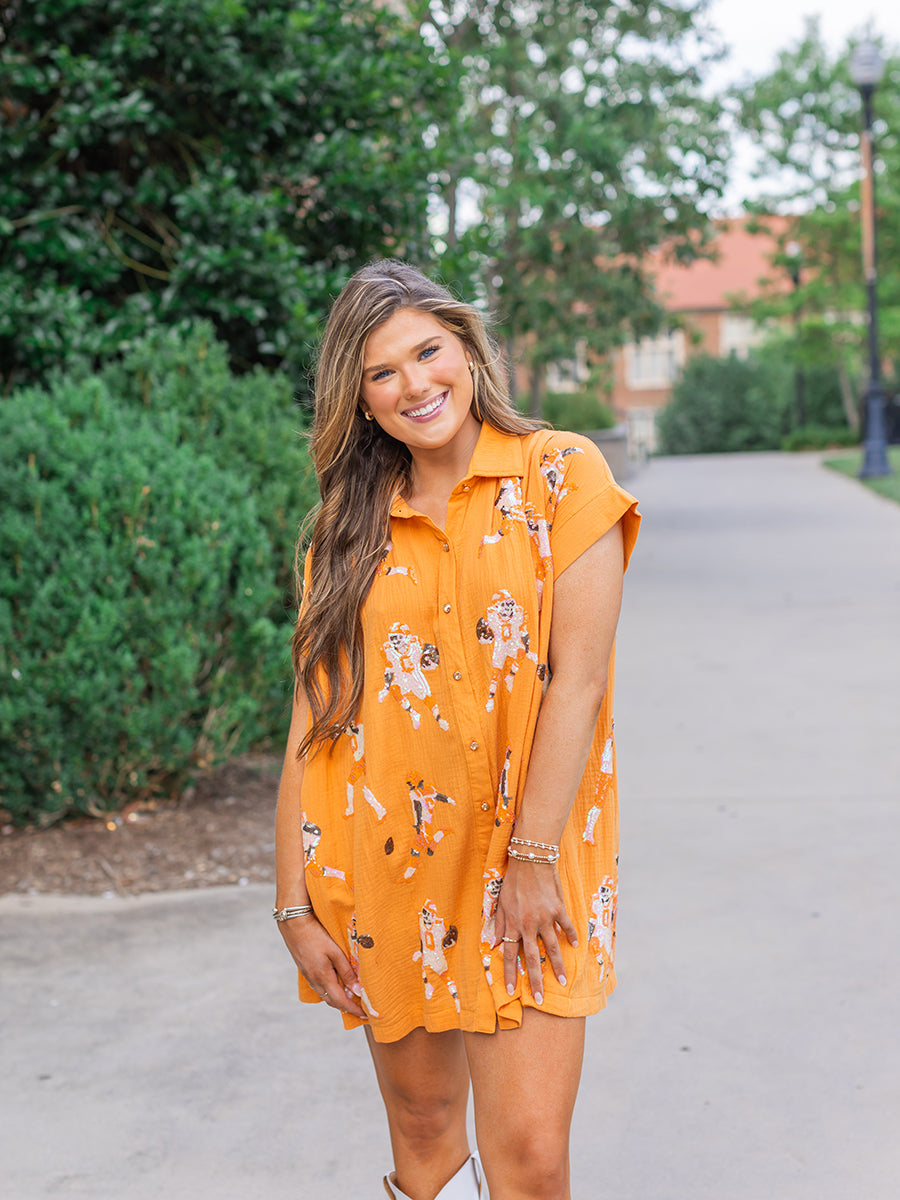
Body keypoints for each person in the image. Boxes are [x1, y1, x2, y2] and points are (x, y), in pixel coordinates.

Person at [274, 260, 640, 1200]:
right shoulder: (345, 529)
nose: (414, 385)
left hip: (535, 863)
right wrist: (294, 903)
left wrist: (529, 861)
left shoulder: (561, 474)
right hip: (392, 873)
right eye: (380, 373)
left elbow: (578, 682)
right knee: (425, 1139)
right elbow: (313, 722)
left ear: (467, 348)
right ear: (357, 401)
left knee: (531, 1158)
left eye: (427, 352)